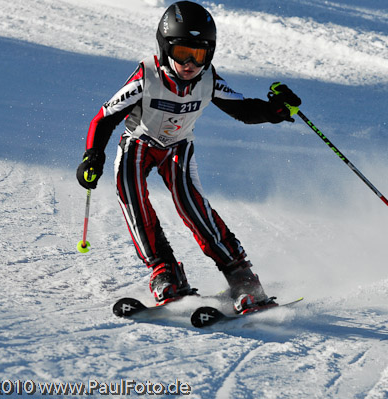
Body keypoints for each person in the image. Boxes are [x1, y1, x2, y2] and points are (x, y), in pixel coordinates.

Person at [76, 1, 301, 313]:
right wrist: (92, 156)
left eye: (199, 54)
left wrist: (274, 111)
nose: (190, 64)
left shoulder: (207, 80)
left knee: (191, 204)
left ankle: (240, 275)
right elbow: (104, 118)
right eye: (182, 53)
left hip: (178, 147)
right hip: (139, 143)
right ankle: (164, 271)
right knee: (130, 191)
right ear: (165, 48)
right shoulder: (147, 76)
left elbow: (242, 109)